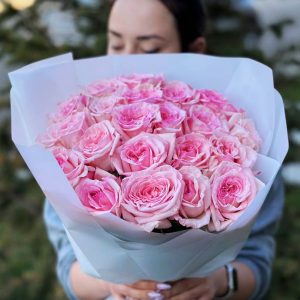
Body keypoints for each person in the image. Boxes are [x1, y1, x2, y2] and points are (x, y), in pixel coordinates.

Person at [44, 0, 284, 299]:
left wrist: (219, 283)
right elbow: (68, 262)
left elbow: (258, 260)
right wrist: (111, 284)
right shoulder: (78, 138)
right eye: (116, 44)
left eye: (149, 49)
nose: (127, 61)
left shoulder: (243, 140)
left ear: (194, 50)